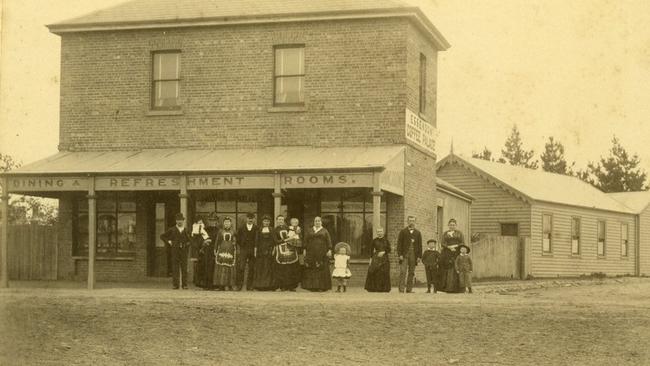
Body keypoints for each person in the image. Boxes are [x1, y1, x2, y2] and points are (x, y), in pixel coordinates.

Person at [160, 212, 191, 289]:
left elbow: (191, 240)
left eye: (181, 220)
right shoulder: (172, 230)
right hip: (175, 251)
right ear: (176, 221)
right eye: (178, 220)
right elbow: (162, 236)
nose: (179, 221)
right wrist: (169, 242)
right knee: (175, 268)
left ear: (183, 221)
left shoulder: (186, 230)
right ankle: (175, 285)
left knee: (184, 268)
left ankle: (184, 285)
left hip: (184, 251)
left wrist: (187, 245)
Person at [302, 216, 332, 292]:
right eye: (316, 221)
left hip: (322, 252)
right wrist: (304, 249)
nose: (317, 222)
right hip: (311, 252)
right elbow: (305, 240)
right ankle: (311, 286)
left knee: (321, 268)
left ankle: (322, 286)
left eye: (319, 221)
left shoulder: (325, 231)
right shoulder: (309, 230)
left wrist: (329, 250)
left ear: (321, 222)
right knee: (312, 268)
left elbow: (329, 241)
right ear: (314, 222)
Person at [273, 215, 301, 291]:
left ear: (283, 220)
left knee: (291, 267)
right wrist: (285, 240)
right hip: (281, 250)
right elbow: (275, 241)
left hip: (290, 248)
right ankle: (283, 286)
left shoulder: (288, 228)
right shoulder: (275, 230)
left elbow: (296, 234)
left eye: (282, 219)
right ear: (277, 221)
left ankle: (291, 286)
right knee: (282, 268)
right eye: (279, 219)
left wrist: (297, 231)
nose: (280, 221)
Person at [397, 216, 422, 293]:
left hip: (413, 255)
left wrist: (419, 256)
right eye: (410, 220)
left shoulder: (418, 233)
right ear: (407, 221)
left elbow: (420, 245)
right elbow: (399, 244)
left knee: (411, 272)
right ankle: (401, 289)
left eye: (413, 221)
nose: (411, 222)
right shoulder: (403, 231)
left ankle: (409, 289)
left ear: (415, 222)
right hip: (404, 254)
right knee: (403, 271)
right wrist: (400, 254)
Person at [439, 218, 465, 293]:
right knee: (447, 268)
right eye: (450, 225)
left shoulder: (459, 233)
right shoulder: (445, 233)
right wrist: (448, 247)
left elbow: (462, 243)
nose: (452, 226)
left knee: (456, 268)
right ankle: (447, 288)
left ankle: (457, 288)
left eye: (453, 225)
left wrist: (456, 246)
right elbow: (442, 243)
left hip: (456, 252)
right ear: (448, 225)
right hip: (447, 252)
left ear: (456, 225)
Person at [252, 215, 276, 291]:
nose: (266, 223)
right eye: (265, 221)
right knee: (260, 268)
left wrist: (273, 250)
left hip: (269, 251)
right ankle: (259, 286)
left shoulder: (272, 230)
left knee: (268, 268)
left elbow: (274, 241)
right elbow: (256, 241)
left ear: (270, 222)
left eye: (268, 221)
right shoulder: (259, 230)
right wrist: (255, 251)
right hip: (260, 251)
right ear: (262, 222)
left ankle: (268, 286)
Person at [364, 227, 391, 293]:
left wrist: (384, 252)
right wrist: (370, 259)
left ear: (383, 232)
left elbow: (389, 249)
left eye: (381, 231)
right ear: (377, 233)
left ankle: (384, 288)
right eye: (378, 232)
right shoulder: (374, 240)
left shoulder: (386, 240)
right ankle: (374, 288)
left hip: (384, 258)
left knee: (384, 272)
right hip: (376, 257)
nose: (380, 233)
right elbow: (371, 250)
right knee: (375, 271)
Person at [213, 217, 237, 291]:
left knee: (230, 266)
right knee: (221, 266)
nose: (227, 224)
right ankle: (221, 285)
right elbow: (217, 241)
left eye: (228, 222)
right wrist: (215, 249)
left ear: (230, 224)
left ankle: (229, 284)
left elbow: (236, 241)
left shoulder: (233, 232)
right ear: (223, 224)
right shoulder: (220, 231)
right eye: (225, 222)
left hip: (230, 250)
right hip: (222, 250)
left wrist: (234, 244)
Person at [236, 212, 258, 291]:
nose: (250, 220)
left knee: (251, 268)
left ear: (254, 219)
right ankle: (239, 285)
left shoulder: (256, 228)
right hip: (244, 250)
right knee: (241, 267)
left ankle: (250, 286)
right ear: (246, 219)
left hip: (252, 250)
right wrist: (242, 243)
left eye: (252, 218)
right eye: (249, 218)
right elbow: (237, 238)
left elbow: (257, 239)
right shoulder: (241, 228)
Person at [200, 212, 220, 290]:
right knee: (207, 267)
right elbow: (199, 239)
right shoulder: (205, 230)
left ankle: (215, 284)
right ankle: (207, 285)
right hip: (207, 250)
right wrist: (203, 242)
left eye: (214, 220)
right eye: (211, 220)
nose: (212, 222)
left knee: (215, 267)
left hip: (216, 250)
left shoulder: (219, 230)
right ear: (208, 221)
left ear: (216, 221)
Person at [190, 216, 208, 288]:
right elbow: (197, 238)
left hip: (201, 248)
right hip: (198, 248)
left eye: (201, 221)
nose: (200, 222)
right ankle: (197, 281)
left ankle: (200, 281)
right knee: (197, 266)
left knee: (201, 265)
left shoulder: (201, 227)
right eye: (199, 221)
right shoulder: (196, 227)